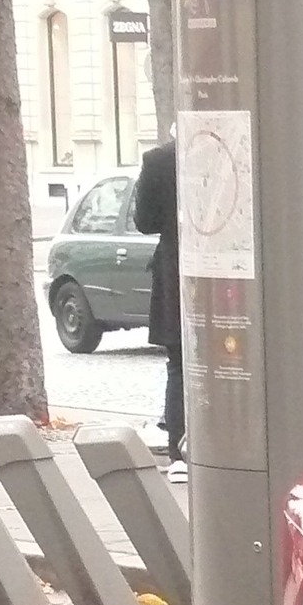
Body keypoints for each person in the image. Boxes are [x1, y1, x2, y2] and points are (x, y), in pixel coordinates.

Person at [132, 139, 184, 479]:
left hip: (175, 271)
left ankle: (179, 450)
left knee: (179, 366)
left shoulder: (159, 159)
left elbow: (145, 222)